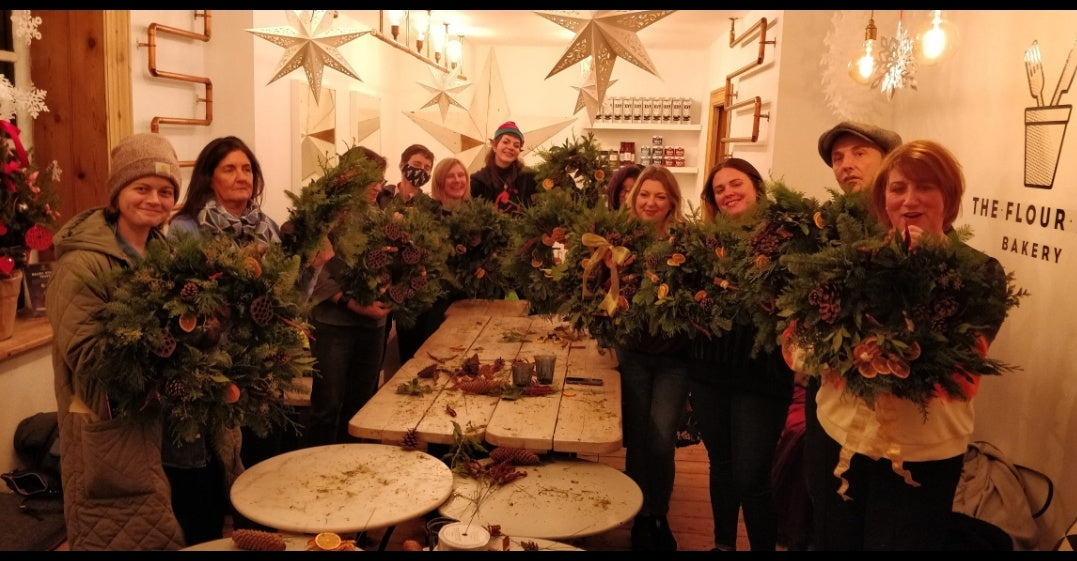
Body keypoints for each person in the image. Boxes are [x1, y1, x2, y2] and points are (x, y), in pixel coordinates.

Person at [804, 139, 1009, 550]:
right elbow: (811, 345)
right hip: (840, 436)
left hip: (922, 455)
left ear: (949, 198)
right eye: (897, 189)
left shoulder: (980, 274)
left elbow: (954, 368)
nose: (910, 200)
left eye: (926, 187)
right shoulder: (853, 260)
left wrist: (925, 266)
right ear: (883, 198)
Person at [46, 132, 187, 550]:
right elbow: (87, 356)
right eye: (141, 188)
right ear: (117, 193)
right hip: (109, 426)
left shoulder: (167, 255)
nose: (154, 199)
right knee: (119, 535)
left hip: (164, 422)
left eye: (165, 191)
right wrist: (162, 335)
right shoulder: (82, 261)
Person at [781, 121, 903, 550]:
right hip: (827, 400)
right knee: (824, 501)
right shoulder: (823, 229)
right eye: (838, 158)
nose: (846, 164)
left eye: (859, 153)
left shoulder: (908, 230)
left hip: (893, 412)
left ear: (890, 159)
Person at [165, 135, 279, 543]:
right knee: (205, 487)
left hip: (256, 375)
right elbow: (180, 304)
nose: (240, 176)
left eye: (246, 168)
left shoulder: (267, 228)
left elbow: (286, 305)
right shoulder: (185, 229)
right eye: (229, 168)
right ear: (209, 177)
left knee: (260, 483)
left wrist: (314, 268)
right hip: (203, 378)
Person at [689, 159, 794, 551]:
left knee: (752, 477)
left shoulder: (784, 240)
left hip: (762, 376)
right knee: (723, 467)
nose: (729, 192)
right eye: (719, 189)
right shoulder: (704, 244)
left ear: (756, 188)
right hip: (708, 370)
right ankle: (723, 545)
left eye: (737, 184)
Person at [616, 165, 688, 551]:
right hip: (633, 354)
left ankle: (658, 513)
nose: (651, 202)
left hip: (673, 360)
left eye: (660, 196)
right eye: (645, 195)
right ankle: (638, 517)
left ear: (671, 201)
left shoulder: (684, 243)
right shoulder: (621, 240)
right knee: (639, 441)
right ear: (634, 197)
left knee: (662, 441)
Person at [302, 146, 393, 447]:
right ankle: (316, 467)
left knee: (362, 406)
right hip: (333, 324)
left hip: (372, 326)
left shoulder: (378, 213)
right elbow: (315, 268)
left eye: (380, 178)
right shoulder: (324, 213)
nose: (377, 185)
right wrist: (351, 302)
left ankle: (353, 467)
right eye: (370, 178)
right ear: (347, 174)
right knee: (327, 407)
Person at [395, 157, 470, 363]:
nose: (457, 180)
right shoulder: (426, 211)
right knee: (420, 357)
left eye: (461, 175)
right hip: (427, 301)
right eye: (450, 176)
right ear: (439, 181)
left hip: (465, 301)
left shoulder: (476, 215)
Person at [470, 121, 538, 214]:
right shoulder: (479, 181)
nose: (511, 147)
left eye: (516, 145)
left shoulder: (528, 176)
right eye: (506, 142)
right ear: (494, 146)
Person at [377, 143, 435, 208]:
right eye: (416, 164)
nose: (421, 169)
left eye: (427, 168)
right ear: (402, 165)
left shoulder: (431, 206)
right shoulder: (380, 194)